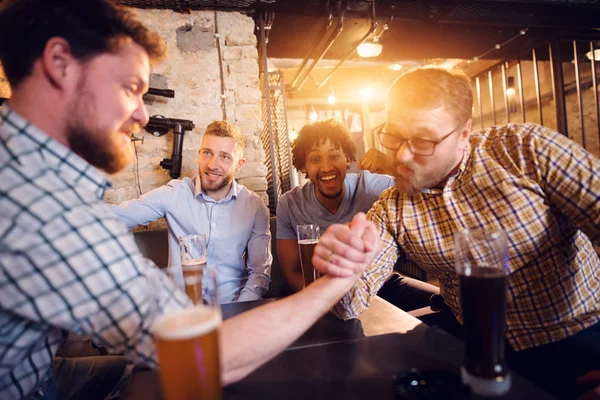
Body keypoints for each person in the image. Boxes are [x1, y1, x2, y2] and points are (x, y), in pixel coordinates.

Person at [0, 0, 379, 398]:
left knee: (140, 375)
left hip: (42, 368)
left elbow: (256, 275)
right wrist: (335, 284)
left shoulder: (36, 179)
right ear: (60, 62)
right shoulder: (42, 203)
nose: (143, 115)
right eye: (131, 88)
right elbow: (203, 354)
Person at [315, 65, 600, 398]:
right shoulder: (394, 207)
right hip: (474, 344)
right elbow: (349, 305)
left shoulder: (524, 150)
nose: (402, 155)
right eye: (393, 136)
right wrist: (340, 267)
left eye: (423, 140)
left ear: (464, 133)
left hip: (578, 333)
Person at [276, 118, 438, 311]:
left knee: (447, 307)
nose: (326, 167)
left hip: (382, 285)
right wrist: (323, 301)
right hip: (321, 293)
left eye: (334, 156)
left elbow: (431, 196)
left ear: (349, 159)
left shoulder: (372, 186)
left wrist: (391, 166)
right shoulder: (290, 204)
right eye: (315, 159)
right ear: (303, 166)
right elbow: (293, 271)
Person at [111, 120, 271, 303]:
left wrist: (240, 310)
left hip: (232, 306)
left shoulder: (254, 207)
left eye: (225, 157)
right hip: (182, 310)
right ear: (199, 154)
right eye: (207, 153)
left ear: (240, 164)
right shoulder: (175, 193)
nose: (212, 164)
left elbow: (260, 271)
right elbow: (114, 218)